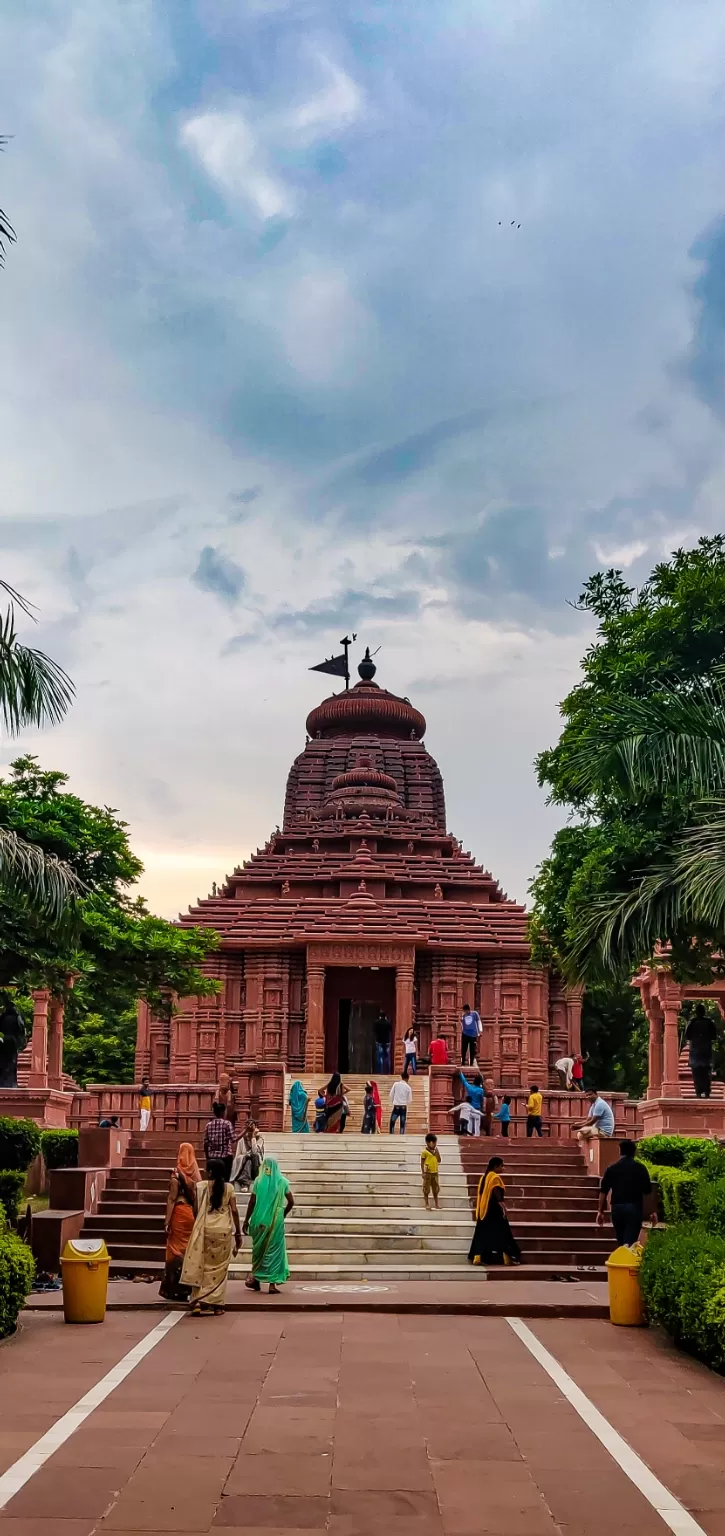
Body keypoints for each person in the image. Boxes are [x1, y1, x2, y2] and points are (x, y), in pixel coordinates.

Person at [181, 1158, 241, 1316]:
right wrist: (239, 1232)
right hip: (223, 1232)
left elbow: (195, 1209)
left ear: (210, 1172)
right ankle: (217, 1305)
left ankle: (197, 1303)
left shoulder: (200, 1187)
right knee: (219, 1269)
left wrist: (199, 1224)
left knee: (201, 1264)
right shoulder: (229, 1188)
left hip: (205, 1229)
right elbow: (234, 1211)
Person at [243, 1157, 294, 1294]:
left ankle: (256, 1280)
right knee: (274, 1252)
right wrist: (282, 1213)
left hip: (259, 1220)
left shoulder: (258, 1182)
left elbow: (252, 1202)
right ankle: (272, 1284)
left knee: (258, 1251)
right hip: (275, 1222)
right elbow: (291, 1201)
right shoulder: (282, 1182)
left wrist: (246, 1220)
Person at [159, 1142, 201, 1301]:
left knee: (174, 1250)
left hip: (179, 1214)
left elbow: (171, 1198)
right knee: (188, 1251)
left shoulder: (176, 1174)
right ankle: (189, 1286)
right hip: (190, 1214)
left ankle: (175, 1288)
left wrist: (167, 1221)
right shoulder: (195, 1175)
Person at [596, 1139, 655, 1247]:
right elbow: (648, 1192)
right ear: (634, 1152)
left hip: (617, 1208)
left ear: (620, 1152)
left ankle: (621, 1257)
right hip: (634, 1208)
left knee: (621, 1238)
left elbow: (603, 1191)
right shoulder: (640, 1168)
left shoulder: (612, 1169)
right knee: (630, 1239)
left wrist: (600, 1211)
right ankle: (625, 1257)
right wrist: (652, 1212)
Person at [468, 1156, 521, 1266]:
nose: (503, 1168)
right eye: (502, 1166)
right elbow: (497, 1194)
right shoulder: (494, 1178)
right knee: (504, 1234)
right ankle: (508, 1258)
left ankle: (477, 1257)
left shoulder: (485, 1177)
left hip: (483, 1211)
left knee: (482, 1234)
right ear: (495, 1166)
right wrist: (504, 1208)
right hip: (494, 1211)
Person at [685, 1004, 718, 1098]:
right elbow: (714, 1036)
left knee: (698, 1074)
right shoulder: (709, 1022)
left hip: (696, 1052)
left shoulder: (692, 1022)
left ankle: (699, 1093)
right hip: (705, 1052)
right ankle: (706, 1092)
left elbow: (687, 1036)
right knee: (706, 1074)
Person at [230, 1118, 265, 1193]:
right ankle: (245, 1183)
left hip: (255, 1168)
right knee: (248, 1160)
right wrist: (245, 1156)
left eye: (252, 1126)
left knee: (254, 1156)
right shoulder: (241, 1140)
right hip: (244, 1167)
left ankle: (245, 1182)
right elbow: (237, 1157)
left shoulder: (260, 1139)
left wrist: (253, 1137)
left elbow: (255, 1152)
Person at [203, 1099, 235, 1179]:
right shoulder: (227, 1124)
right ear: (223, 1112)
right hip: (225, 1157)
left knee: (214, 1179)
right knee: (225, 1180)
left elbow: (205, 1143)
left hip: (212, 1157)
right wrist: (245, 1131)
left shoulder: (208, 1125)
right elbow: (234, 1139)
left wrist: (208, 1158)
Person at [459, 1070, 484, 1136]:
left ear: (474, 1082)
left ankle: (469, 1136)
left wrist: (461, 1073)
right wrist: (482, 1108)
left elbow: (464, 1082)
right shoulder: (481, 1090)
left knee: (469, 1124)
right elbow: (482, 1100)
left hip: (469, 1109)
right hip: (477, 1109)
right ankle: (477, 1137)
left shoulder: (470, 1088)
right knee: (477, 1126)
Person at [421, 1133, 441, 1210]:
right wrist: (423, 1172)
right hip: (428, 1173)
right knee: (426, 1189)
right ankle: (427, 1204)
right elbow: (422, 1162)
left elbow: (439, 1160)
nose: (435, 1144)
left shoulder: (435, 1152)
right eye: (434, 1143)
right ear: (429, 1143)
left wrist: (437, 1152)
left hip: (435, 1172)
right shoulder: (424, 1152)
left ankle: (436, 1204)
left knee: (435, 1189)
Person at [460, 1001, 482, 1067]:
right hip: (465, 1034)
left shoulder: (474, 1014)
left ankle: (471, 1063)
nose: (466, 1012)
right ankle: (463, 1062)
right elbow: (461, 1024)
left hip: (473, 1034)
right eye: (465, 1011)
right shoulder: (463, 1015)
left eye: (467, 1011)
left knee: (472, 1050)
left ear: (469, 1009)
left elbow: (478, 1022)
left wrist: (480, 1031)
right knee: (464, 1049)